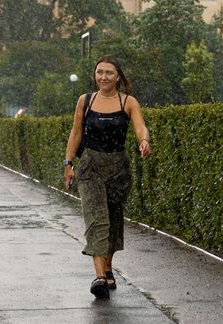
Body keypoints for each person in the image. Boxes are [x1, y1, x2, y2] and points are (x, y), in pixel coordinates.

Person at [63, 55, 151, 299]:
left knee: (112, 219)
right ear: (95, 75)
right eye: (99, 72)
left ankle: (108, 268)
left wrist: (144, 141)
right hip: (90, 166)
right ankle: (100, 277)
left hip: (118, 168)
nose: (103, 76)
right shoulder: (86, 101)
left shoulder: (128, 102)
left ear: (118, 77)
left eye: (109, 73)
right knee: (96, 219)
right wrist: (68, 163)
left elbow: (140, 127)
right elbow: (76, 132)